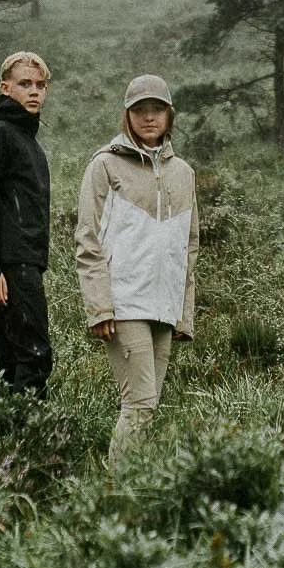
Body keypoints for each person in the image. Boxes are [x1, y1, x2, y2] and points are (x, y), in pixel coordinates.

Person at [74, 74, 199, 462]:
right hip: (123, 305)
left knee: (148, 407)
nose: (149, 118)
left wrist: (184, 315)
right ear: (126, 116)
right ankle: (115, 495)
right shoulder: (104, 165)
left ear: (169, 115)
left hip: (164, 306)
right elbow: (87, 239)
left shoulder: (184, 173)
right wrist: (99, 307)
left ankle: (134, 490)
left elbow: (189, 247)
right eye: (140, 110)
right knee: (140, 405)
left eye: (157, 109)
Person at [0, 50, 52, 395]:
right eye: (25, 84)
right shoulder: (0, 133)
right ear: (5, 88)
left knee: (11, 357)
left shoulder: (27, 139)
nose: (34, 91)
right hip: (12, 266)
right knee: (34, 355)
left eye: (40, 85)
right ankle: (32, 436)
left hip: (25, 262)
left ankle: (5, 437)